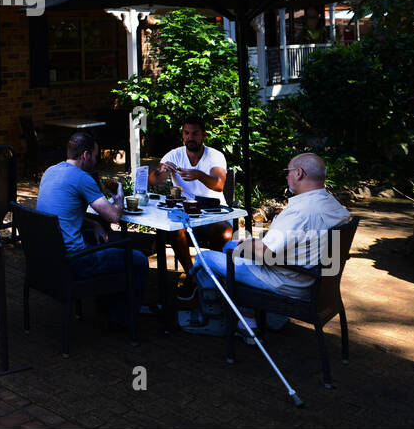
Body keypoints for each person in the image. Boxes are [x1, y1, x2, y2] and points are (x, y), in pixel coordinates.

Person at [197, 152, 351, 336]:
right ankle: (248, 317)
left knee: (203, 257)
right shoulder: (335, 206)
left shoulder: (300, 212)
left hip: (286, 282)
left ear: (299, 173)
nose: (286, 176)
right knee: (230, 247)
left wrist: (248, 244)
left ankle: (217, 320)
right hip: (312, 279)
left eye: (288, 171)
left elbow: (264, 254)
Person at [37, 131, 148, 327]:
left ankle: (105, 306)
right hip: (75, 261)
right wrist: (119, 198)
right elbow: (114, 216)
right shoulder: (82, 178)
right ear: (86, 155)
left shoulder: (50, 171)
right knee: (138, 259)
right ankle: (122, 319)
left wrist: (94, 223)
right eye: (96, 156)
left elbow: (64, 216)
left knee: (105, 241)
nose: (96, 160)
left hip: (49, 256)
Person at [148, 117, 233, 294]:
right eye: (187, 133)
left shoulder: (215, 155)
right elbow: (153, 182)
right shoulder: (174, 155)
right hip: (184, 212)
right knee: (173, 230)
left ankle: (212, 276)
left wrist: (199, 175)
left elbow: (218, 184)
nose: (190, 137)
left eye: (195, 133)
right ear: (182, 135)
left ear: (204, 135)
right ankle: (192, 275)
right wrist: (161, 172)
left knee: (224, 231)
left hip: (212, 212)